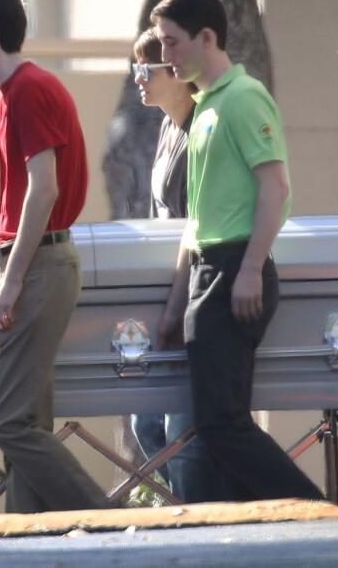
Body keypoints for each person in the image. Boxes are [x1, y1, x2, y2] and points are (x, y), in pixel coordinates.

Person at [154, 0, 324, 502]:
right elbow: (198, 216)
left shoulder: (243, 98)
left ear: (208, 37)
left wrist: (250, 269)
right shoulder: (204, 106)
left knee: (221, 422)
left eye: (172, 42)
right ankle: (255, 527)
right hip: (211, 271)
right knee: (216, 423)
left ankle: (317, 514)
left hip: (234, 268)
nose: (165, 55)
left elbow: (275, 186)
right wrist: (177, 301)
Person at [0, 0, 108, 513]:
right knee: (28, 423)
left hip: (37, 266)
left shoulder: (29, 90)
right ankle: (28, 537)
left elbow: (45, 189)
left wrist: (11, 282)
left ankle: (112, 519)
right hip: (26, 264)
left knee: (7, 422)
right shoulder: (9, 95)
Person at [127, 28, 224, 503]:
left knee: (182, 437)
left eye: (147, 70)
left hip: (195, 294)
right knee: (145, 423)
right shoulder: (166, 127)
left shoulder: (201, 129)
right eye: (135, 68)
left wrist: (174, 305)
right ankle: (187, 510)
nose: (138, 78)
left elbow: (195, 228)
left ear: (177, 74)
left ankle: (204, 524)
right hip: (164, 295)